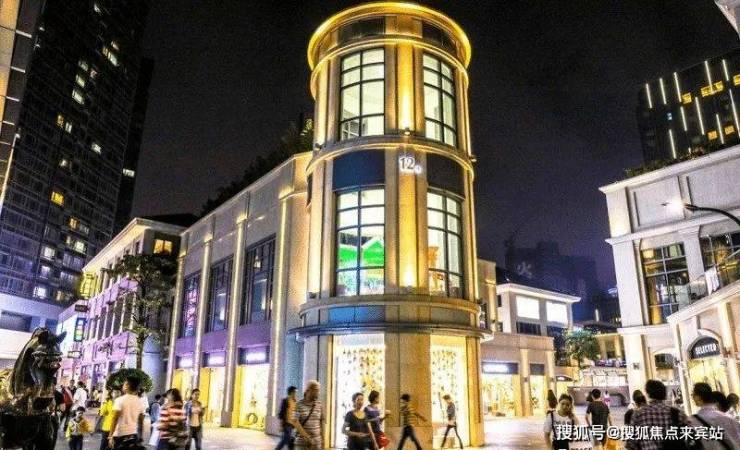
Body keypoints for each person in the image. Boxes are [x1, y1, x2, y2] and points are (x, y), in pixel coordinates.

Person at [627, 380, 690, 450]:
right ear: (664, 394)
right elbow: (690, 435)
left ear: (648, 394)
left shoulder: (638, 414)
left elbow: (631, 442)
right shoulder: (677, 413)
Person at [689, 382, 740, 450]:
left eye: (693, 394)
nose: (692, 397)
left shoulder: (692, 422)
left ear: (698, 397)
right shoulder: (729, 418)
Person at [107, 376, 146, 450]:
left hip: (119, 436)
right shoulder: (140, 402)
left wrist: (110, 436)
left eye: (124, 384)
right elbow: (141, 422)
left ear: (127, 386)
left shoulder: (119, 400)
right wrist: (141, 436)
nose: (123, 385)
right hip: (133, 435)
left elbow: (114, 419)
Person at [294, 380, 325, 450]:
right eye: (316, 390)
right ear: (308, 390)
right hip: (302, 443)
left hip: (317, 443)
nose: (318, 393)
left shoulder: (319, 405)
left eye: (318, 390)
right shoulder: (298, 405)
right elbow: (295, 422)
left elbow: (322, 422)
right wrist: (308, 438)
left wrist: (323, 439)